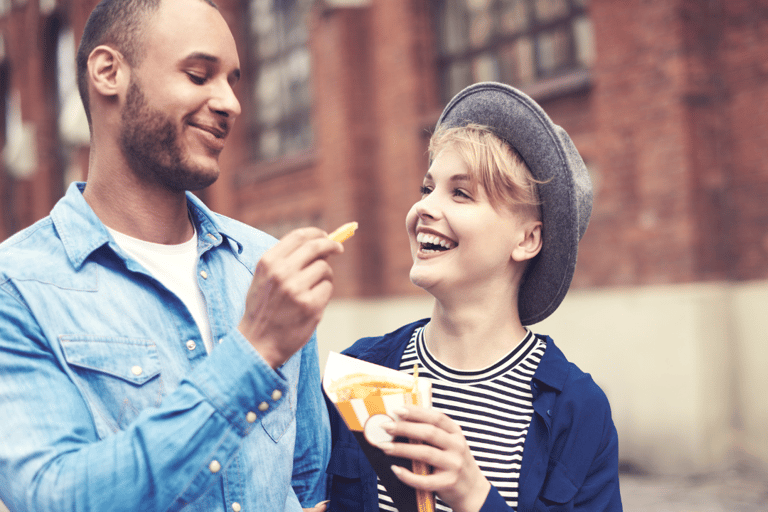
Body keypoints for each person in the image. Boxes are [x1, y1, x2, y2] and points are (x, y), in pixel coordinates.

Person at [0, 0, 338, 510]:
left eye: (233, 81)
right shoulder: (18, 284)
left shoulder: (263, 265)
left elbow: (308, 481)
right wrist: (253, 354)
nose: (230, 102)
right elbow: (57, 495)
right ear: (108, 72)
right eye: (199, 75)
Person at [325, 82, 622, 511]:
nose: (424, 207)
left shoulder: (579, 412)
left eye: (460, 193)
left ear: (527, 239)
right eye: (428, 188)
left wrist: (472, 494)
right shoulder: (358, 376)